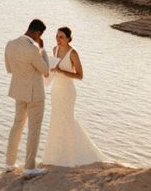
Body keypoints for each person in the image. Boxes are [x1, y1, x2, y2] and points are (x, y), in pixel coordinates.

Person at [42, 26, 105, 167]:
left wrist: (61, 71)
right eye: (57, 36)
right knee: (56, 119)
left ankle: (73, 155)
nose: (58, 39)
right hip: (56, 90)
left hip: (68, 91)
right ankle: (56, 155)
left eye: (61, 37)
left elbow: (80, 75)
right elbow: (53, 70)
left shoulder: (73, 53)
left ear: (69, 38)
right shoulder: (54, 50)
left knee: (67, 119)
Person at [4, 19, 49, 178]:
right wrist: (42, 50)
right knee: (34, 129)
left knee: (17, 125)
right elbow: (45, 70)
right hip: (35, 94)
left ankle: (9, 163)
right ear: (37, 33)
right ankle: (29, 167)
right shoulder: (33, 50)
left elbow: (9, 69)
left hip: (18, 91)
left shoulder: (10, 44)